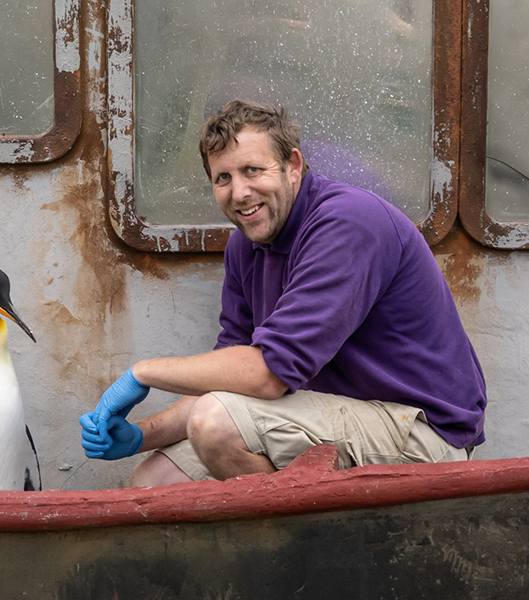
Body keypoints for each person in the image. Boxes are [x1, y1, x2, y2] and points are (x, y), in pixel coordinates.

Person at [80, 100, 487, 487]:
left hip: (422, 434)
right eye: (223, 178)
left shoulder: (348, 224)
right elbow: (231, 380)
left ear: (293, 165)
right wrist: (139, 436)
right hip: (332, 419)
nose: (239, 192)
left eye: (253, 170)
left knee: (215, 423)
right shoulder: (246, 246)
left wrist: (143, 373)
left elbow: (267, 375)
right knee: (154, 480)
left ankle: (306, 554)